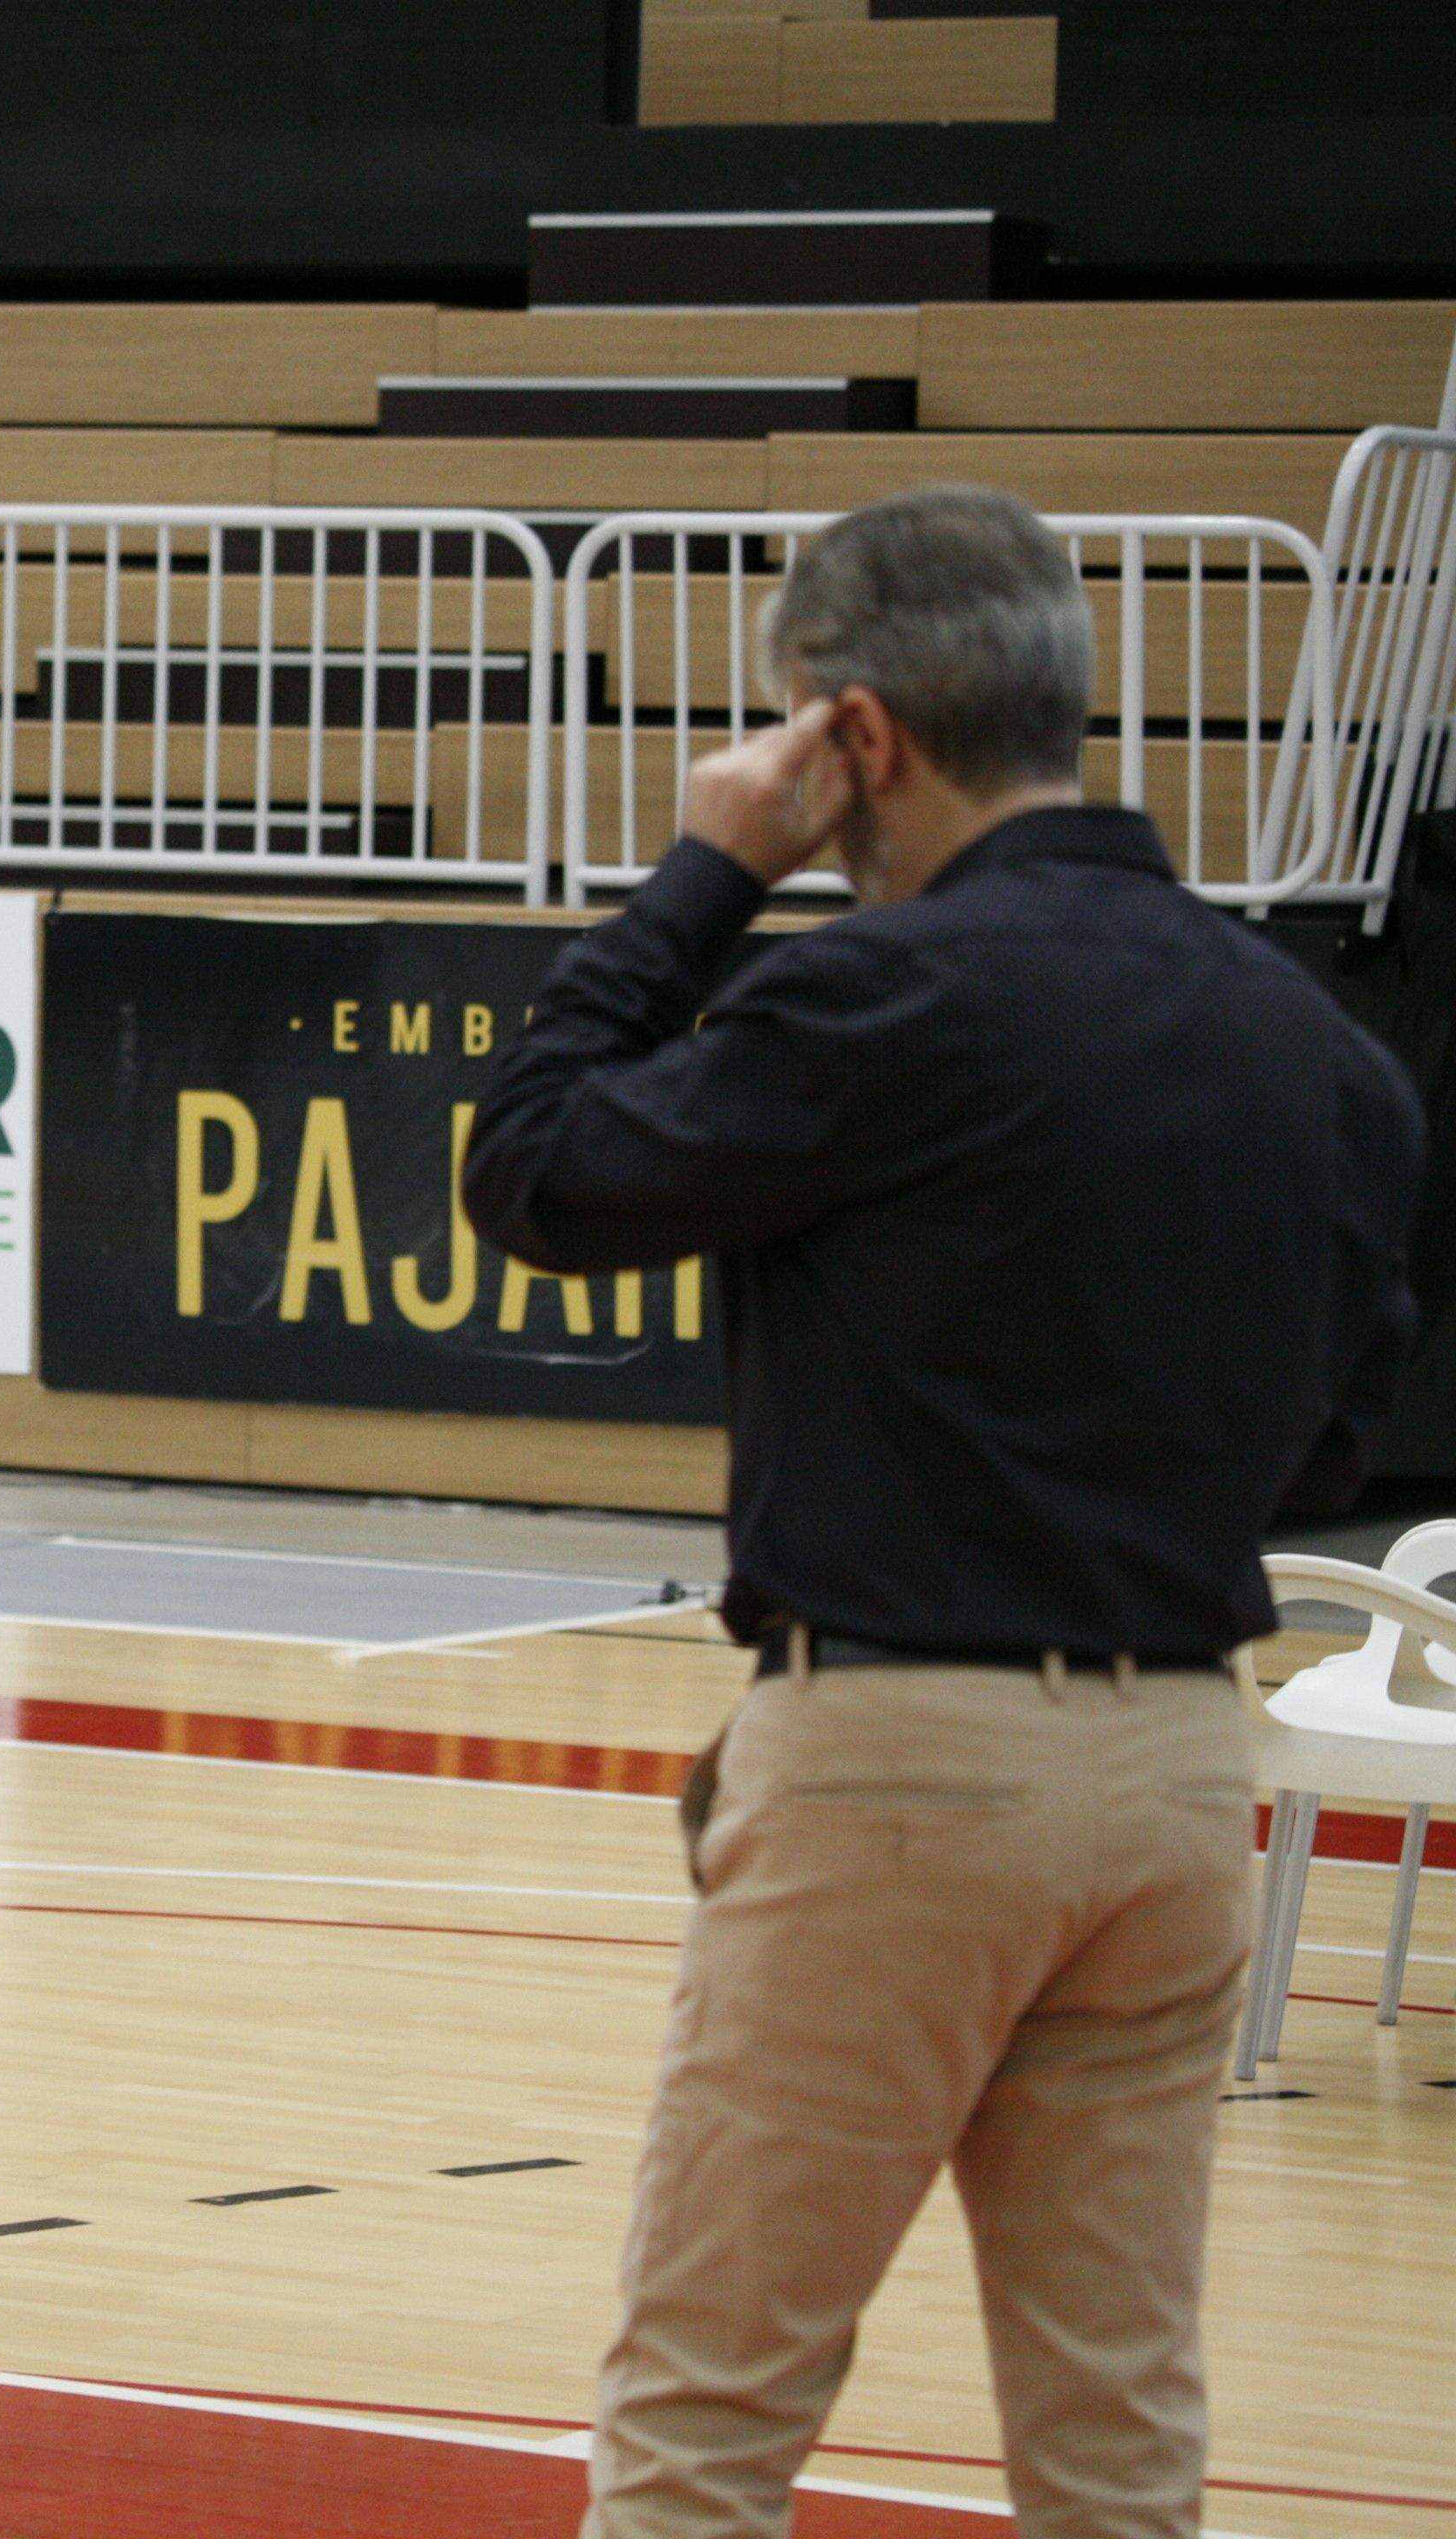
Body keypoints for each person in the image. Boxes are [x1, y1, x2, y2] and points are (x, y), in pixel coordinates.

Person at [462, 484, 1425, 2539]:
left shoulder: (870, 1004)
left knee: (709, 2421)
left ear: (854, 737)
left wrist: (706, 883)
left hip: (899, 1760)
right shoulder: (1319, 1051)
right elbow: (1336, 1439)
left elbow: (535, 1173)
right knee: (1116, 2441)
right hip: (1180, 1768)